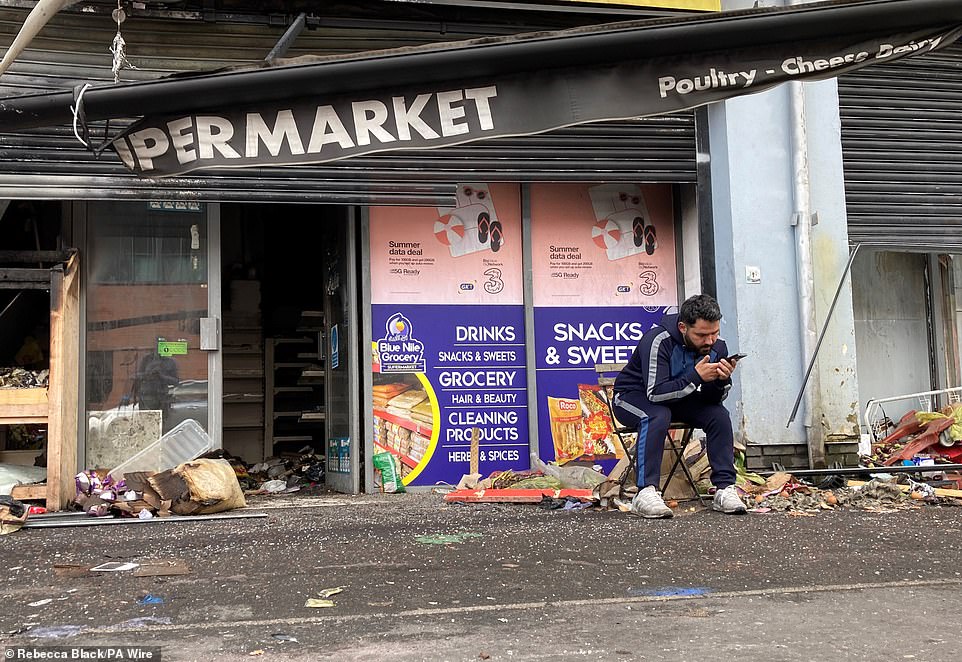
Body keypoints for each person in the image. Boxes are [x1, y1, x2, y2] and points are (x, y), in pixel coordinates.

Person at [613, 293, 746, 518]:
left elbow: (713, 399)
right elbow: (655, 393)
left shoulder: (717, 347)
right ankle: (645, 492)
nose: (710, 341)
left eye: (714, 333)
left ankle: (724, 488)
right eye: (702, 335)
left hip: (677, 398)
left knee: (718, 415)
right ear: (683, 327)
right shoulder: (657, 341)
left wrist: (722, 380)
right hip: (632, 398)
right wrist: (695, 377)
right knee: (657, 414)